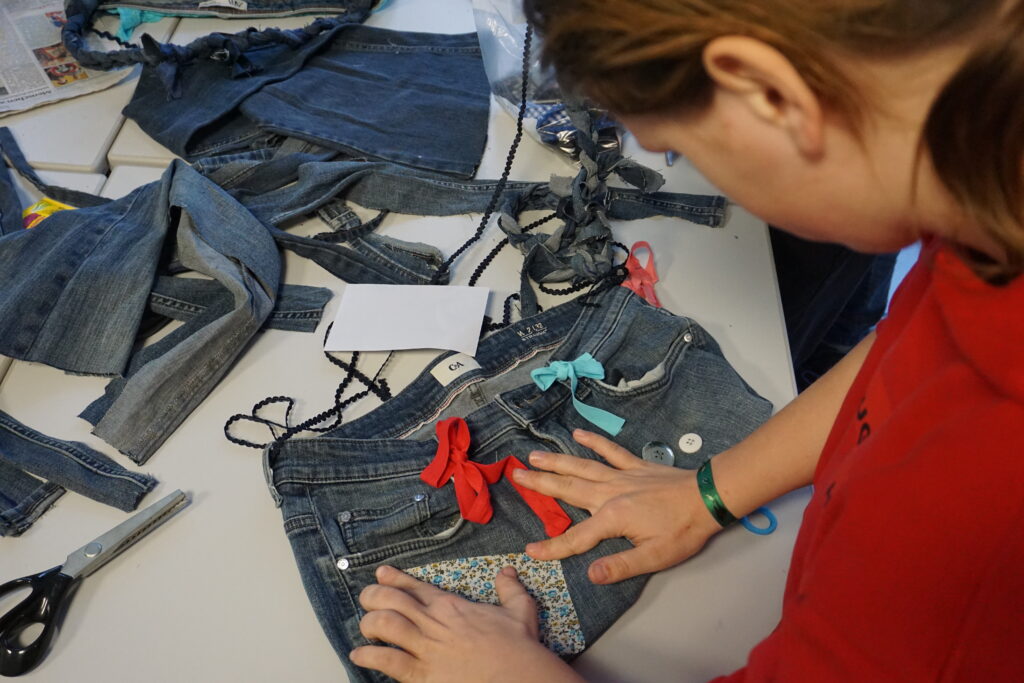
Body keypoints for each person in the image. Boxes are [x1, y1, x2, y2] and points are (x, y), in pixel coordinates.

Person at [348, 1, 1024, 680]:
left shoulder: (964, 521)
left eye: (683, 147)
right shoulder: (985, 200)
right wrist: (710, 492)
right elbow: (906, 347)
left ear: (768, 95)